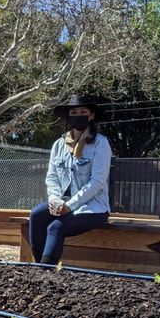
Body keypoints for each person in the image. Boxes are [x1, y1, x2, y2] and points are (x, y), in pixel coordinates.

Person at [28, 95, 112, 265]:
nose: (78, 115)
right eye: (73, 112)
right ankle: (38, 265)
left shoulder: (101, 144)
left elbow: (97, 182)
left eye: (83, 111)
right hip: (63, 203)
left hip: (94, 207)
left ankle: (46, 270)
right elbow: (51, 177)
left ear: (91, 116)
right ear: (68, 116)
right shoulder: (59, 144)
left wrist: (70, 206)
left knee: (55, 227)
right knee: (37, 215)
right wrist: (54, 199)